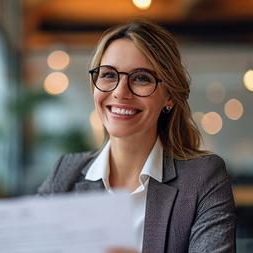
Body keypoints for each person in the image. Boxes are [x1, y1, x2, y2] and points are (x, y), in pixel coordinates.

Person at [38, 20, 236, 253]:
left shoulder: (203, 178)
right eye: (109, 75)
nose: (120, 92)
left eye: (141, 78)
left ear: (169, 96)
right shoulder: (65, 173)